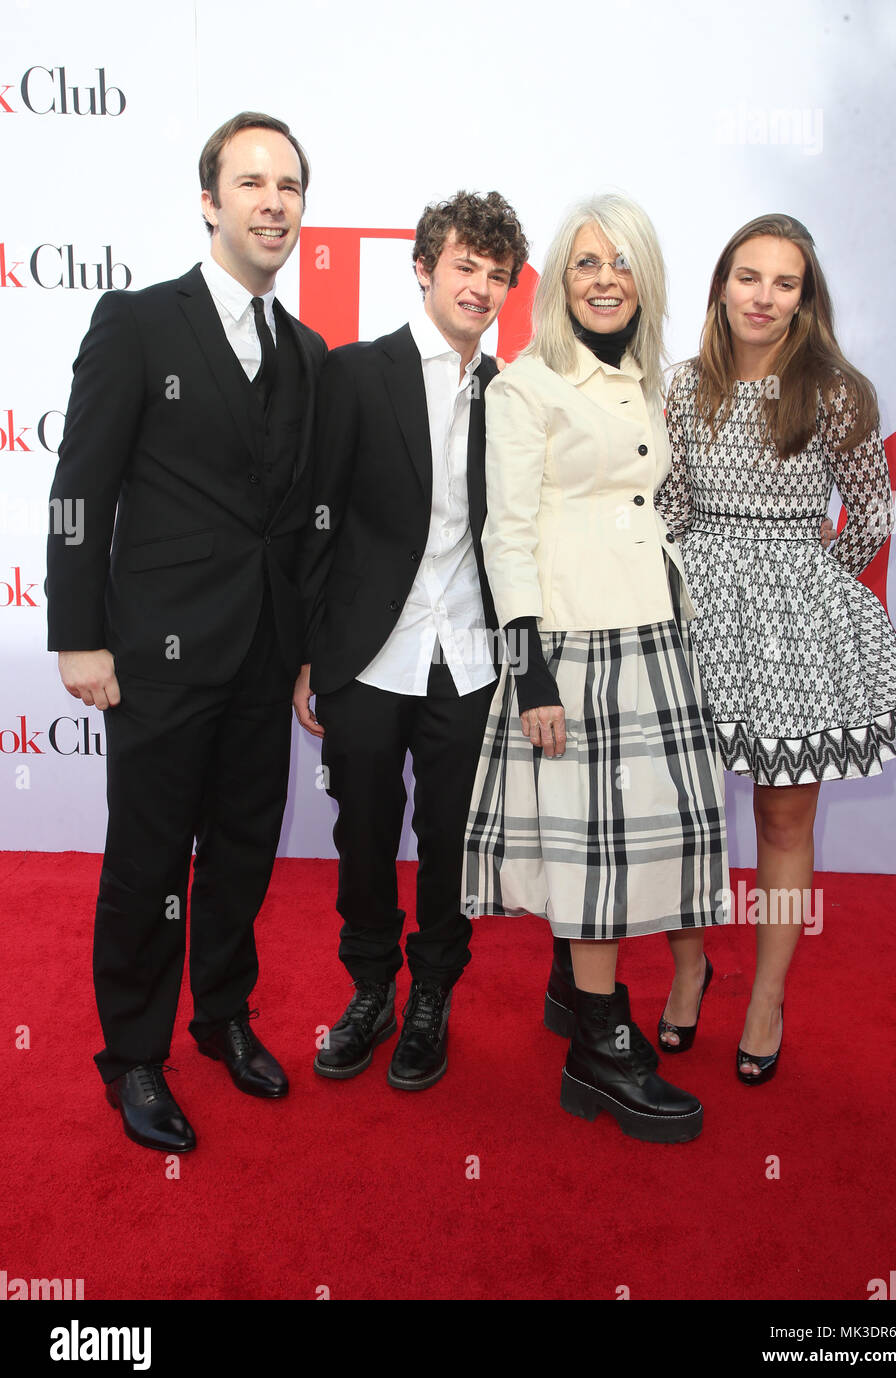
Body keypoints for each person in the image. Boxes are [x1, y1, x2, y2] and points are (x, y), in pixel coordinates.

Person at [46, 112, 328, 1152]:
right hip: (156, 654)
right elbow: (82, 488)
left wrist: (304, 650)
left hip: (261, 653)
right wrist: (77, 634)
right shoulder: (138, 322)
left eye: (288, 185)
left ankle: (220, 1016)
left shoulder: (303, 352)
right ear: (209, 200)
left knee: (246, 852)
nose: (271, 201)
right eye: (250, 182)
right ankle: (132, 1054)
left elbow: (296, 521)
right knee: (149, 862)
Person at [462, 195, 728, 1143]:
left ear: (644, 276)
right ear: (559, 281)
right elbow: (507, 536)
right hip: (570, 647)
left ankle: (576, 1000)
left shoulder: (654, 381)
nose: (603, 277)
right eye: (583, 262)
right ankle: (601, 1049)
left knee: (630, 842)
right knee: (595, 853)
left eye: (620, 261)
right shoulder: (524, 388)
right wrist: (528, 675)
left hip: (653, 631)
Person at [655, 212, 896, 1083]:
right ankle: (687, 967)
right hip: (690, 611)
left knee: (783, 816)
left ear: (805, 297)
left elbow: (870, 513)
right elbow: (663, 505)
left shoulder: (837, 392)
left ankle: (768, 995)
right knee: (684, 816)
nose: (764, 297)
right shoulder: (676, 386)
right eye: (749, 277)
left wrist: (810, 589)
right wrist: (665, 580)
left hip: (791, 624)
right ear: (721, 284)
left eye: (785, 282)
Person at [294, 191, 529, 1091]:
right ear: (425, 267)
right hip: (368, 650)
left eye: (496, 273)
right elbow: (316, 521)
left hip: (469, 655)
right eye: (464, 266)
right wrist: (311, 655)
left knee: (450, 838)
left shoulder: (512, 393)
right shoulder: (357, 372)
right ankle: (369, 991)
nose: (479, 286)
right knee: (362, 830)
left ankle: (431, 995)